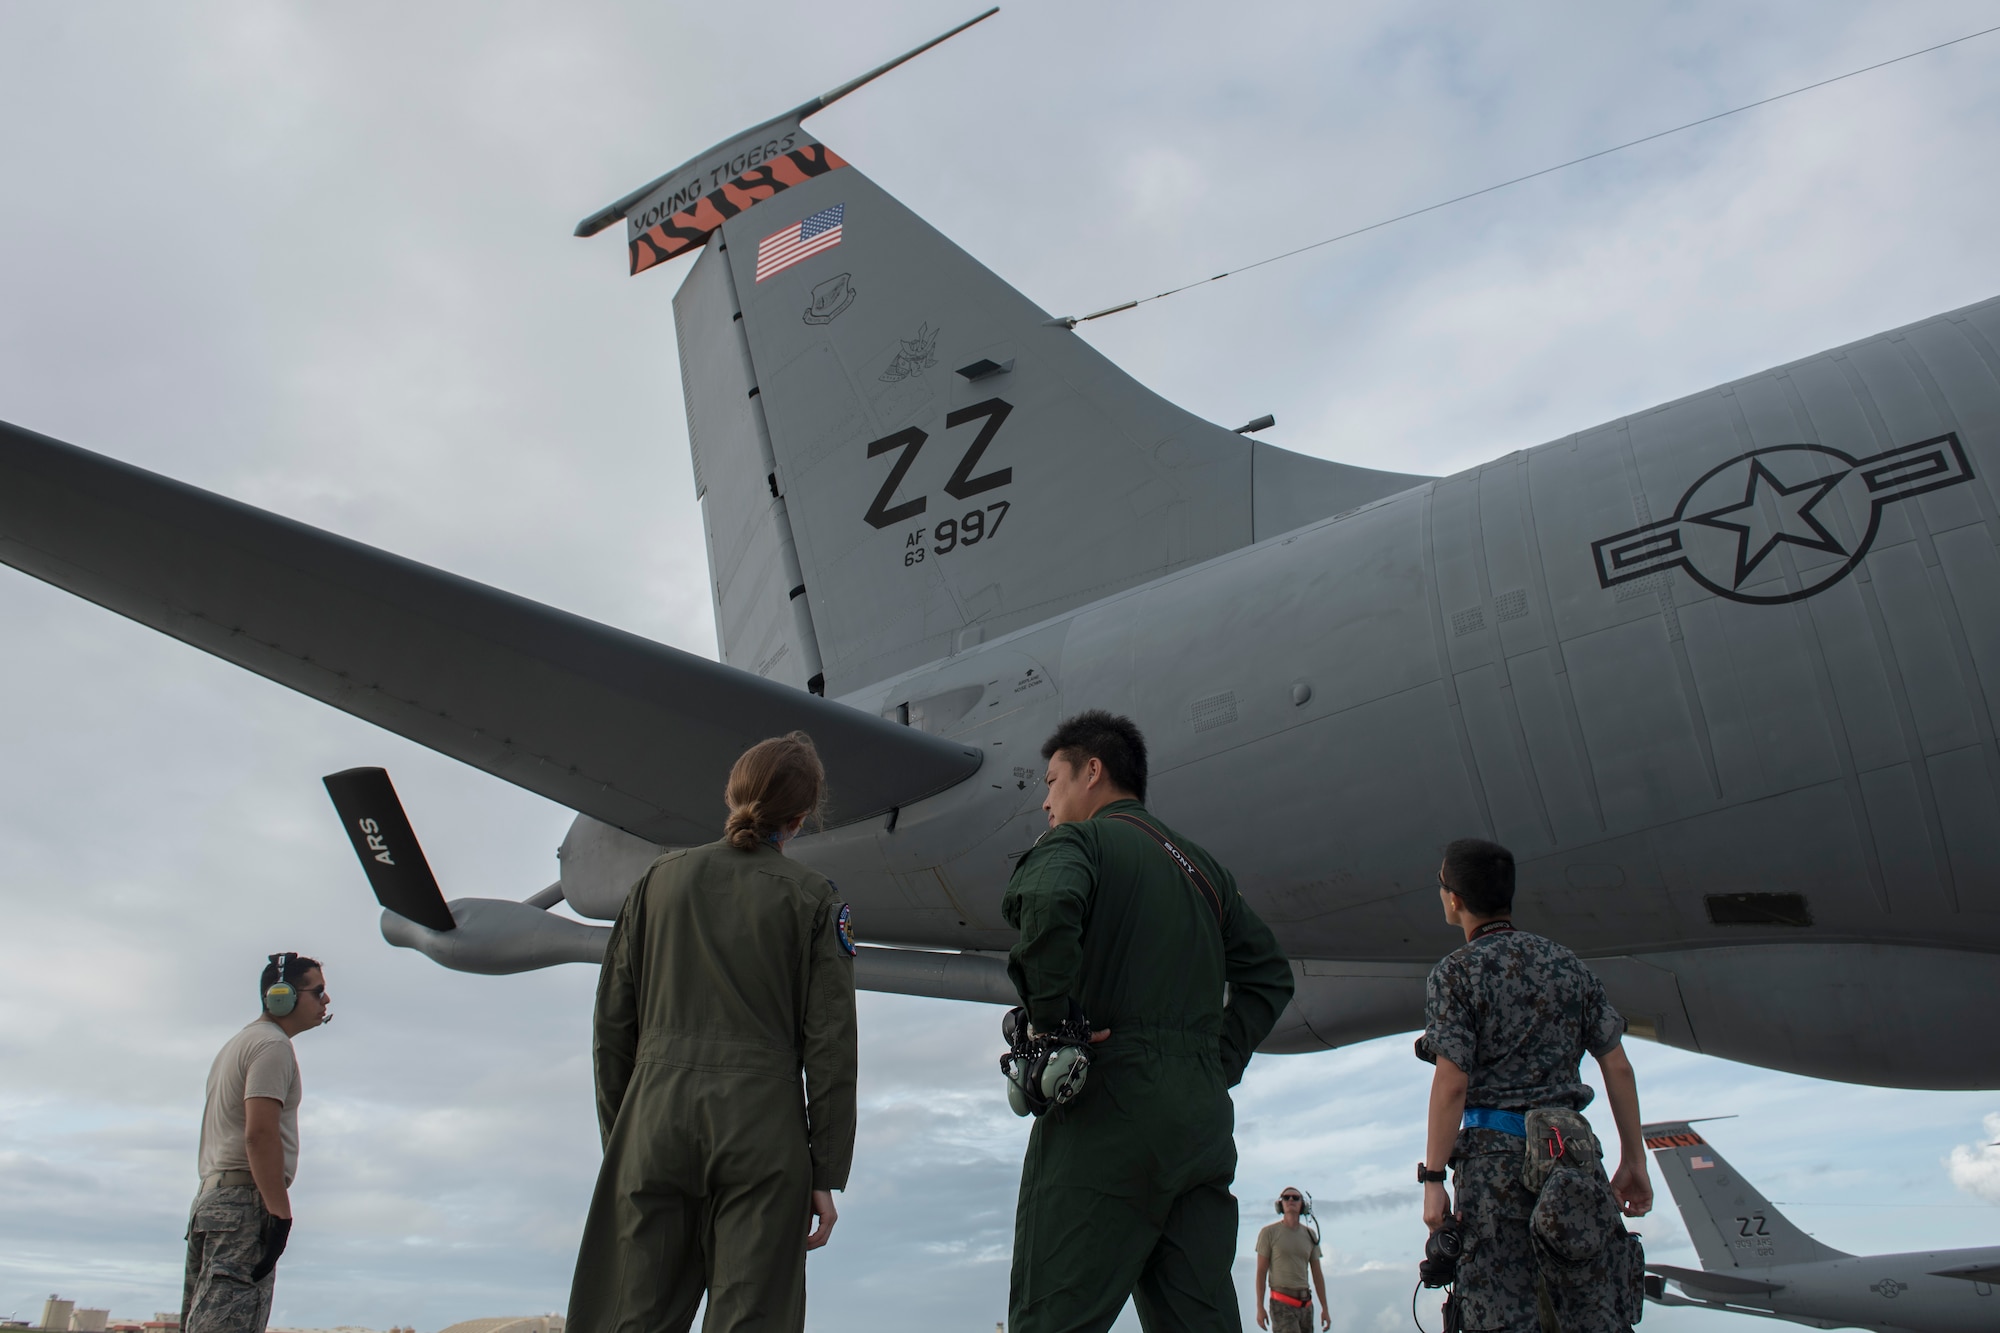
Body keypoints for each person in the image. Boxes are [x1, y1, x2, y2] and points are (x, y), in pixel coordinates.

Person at [1002, 709, 1294, 1333]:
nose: (1046, 804)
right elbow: (1270, 975)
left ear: (1092, 772)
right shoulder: (1206, 871)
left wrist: (1052, 1026)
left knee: (1052, 1314)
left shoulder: (1081, 843)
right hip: (1199, 1123)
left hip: (1110, 1110)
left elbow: (1048, 899)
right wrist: (1215, 1063)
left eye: (1052, 782)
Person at [568, 731, 858, 1333]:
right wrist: (824, 1171)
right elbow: (831, 1048)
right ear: (801, 817)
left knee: (631, 1317)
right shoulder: (815, 900)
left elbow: (612, 1024)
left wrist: (625, 1137)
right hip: (763, 1133)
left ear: (732, 796)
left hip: (654, 1122)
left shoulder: (656, 881)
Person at [1417, 838, 1653, 1333]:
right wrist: (1635, 1160)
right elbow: (1619, 1068)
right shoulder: (1569, 966)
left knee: (1501, 1316)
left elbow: (1451, 1082)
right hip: (1573, 1163)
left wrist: (1433, 1180)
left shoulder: (1457, 974)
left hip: (1495, 1172)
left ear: (1454, 899)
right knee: (1593, 1312)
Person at [184, 951, 332, 1333]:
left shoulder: (242, 1041)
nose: (326, 1001)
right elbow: (260, 1134)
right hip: (244, 1205)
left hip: (213, 1203)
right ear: (281, 996)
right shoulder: (272, 1046)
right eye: (317, 992)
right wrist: (280, 1215)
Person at [1253, 1188, 1329, 1333]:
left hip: (1306, 1305)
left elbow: (1317, 1274)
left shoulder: (1310, 1235)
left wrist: (1325, 1308)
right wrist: (1260, 1307)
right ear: (1280, 1203)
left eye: (1295, 1198)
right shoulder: (1268, 1233)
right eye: (1286, 1198)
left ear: (1303, 1205)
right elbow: (1261, 1272)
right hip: (1281, 1303)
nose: (1291, 1201)